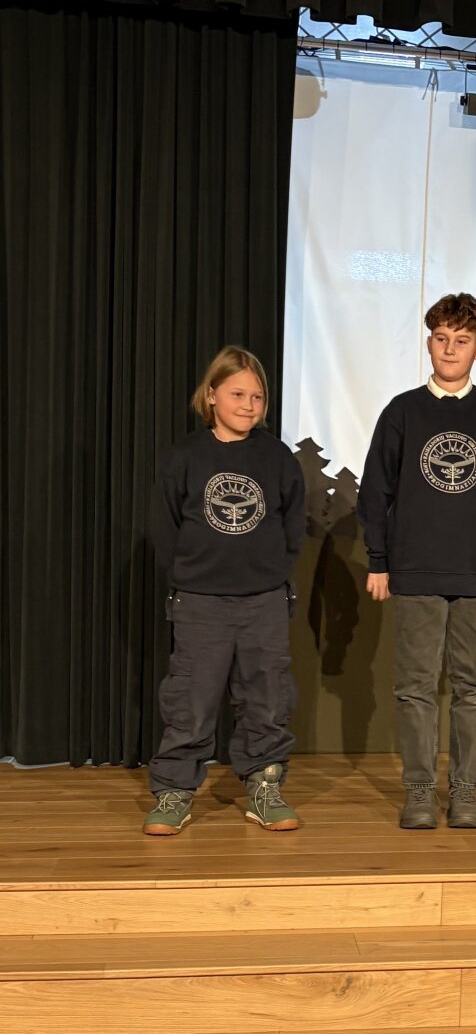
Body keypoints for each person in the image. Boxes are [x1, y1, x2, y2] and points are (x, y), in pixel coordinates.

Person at [358, 293, 476, 830]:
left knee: (474, 687)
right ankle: (418, 792)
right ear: (428, 343)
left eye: (462, 340)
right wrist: (379, 560)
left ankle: (463, 791)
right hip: (414, 570)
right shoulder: (402, 411)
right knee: (415, 686)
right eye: (440, 339)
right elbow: (375, 492)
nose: (449, 349)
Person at [145, 346, 305, 835]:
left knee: (267, 699)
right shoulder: (186, 456)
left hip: (263, 601)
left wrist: (272, 573)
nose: (248, 405)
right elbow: (164, 526)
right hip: (200, 603)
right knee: (190, 700)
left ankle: (264, 787)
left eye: (257, 397)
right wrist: (189, 576)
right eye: (238, 394)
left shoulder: (277, 457)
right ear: (212, 395)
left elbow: (293, 524)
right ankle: (174, 791)